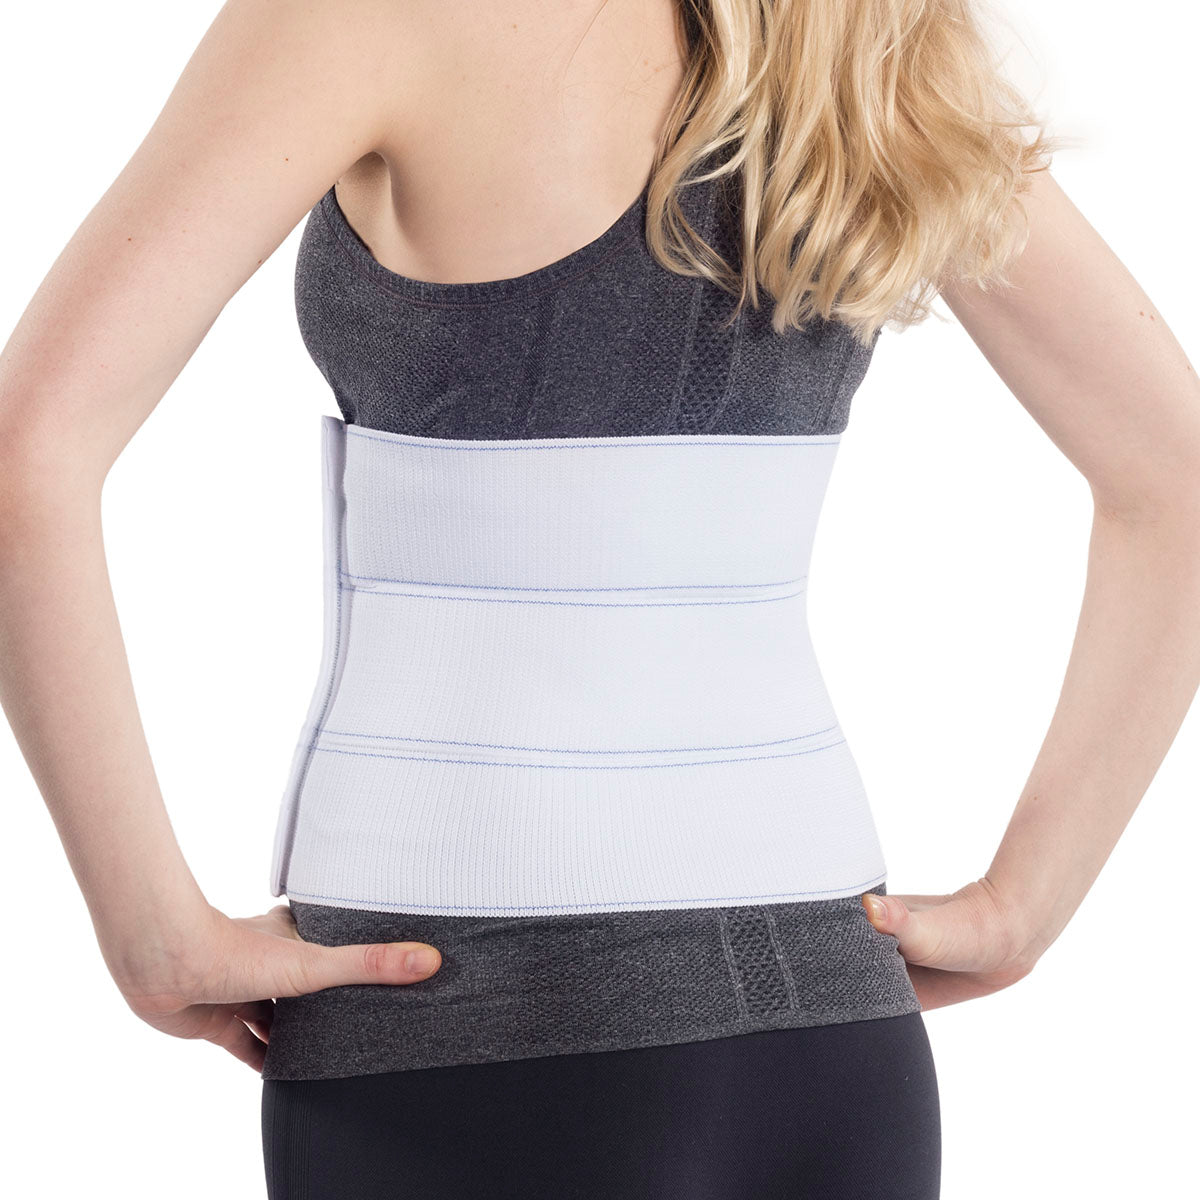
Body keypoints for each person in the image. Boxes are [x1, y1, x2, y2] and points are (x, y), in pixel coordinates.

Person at [1, 2, 1198, 1197]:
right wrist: (1024, 907)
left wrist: (152, 933)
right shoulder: (869, 42)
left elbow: (26, 454)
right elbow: (1176, 480)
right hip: (834, 1032)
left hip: (472, 1026)